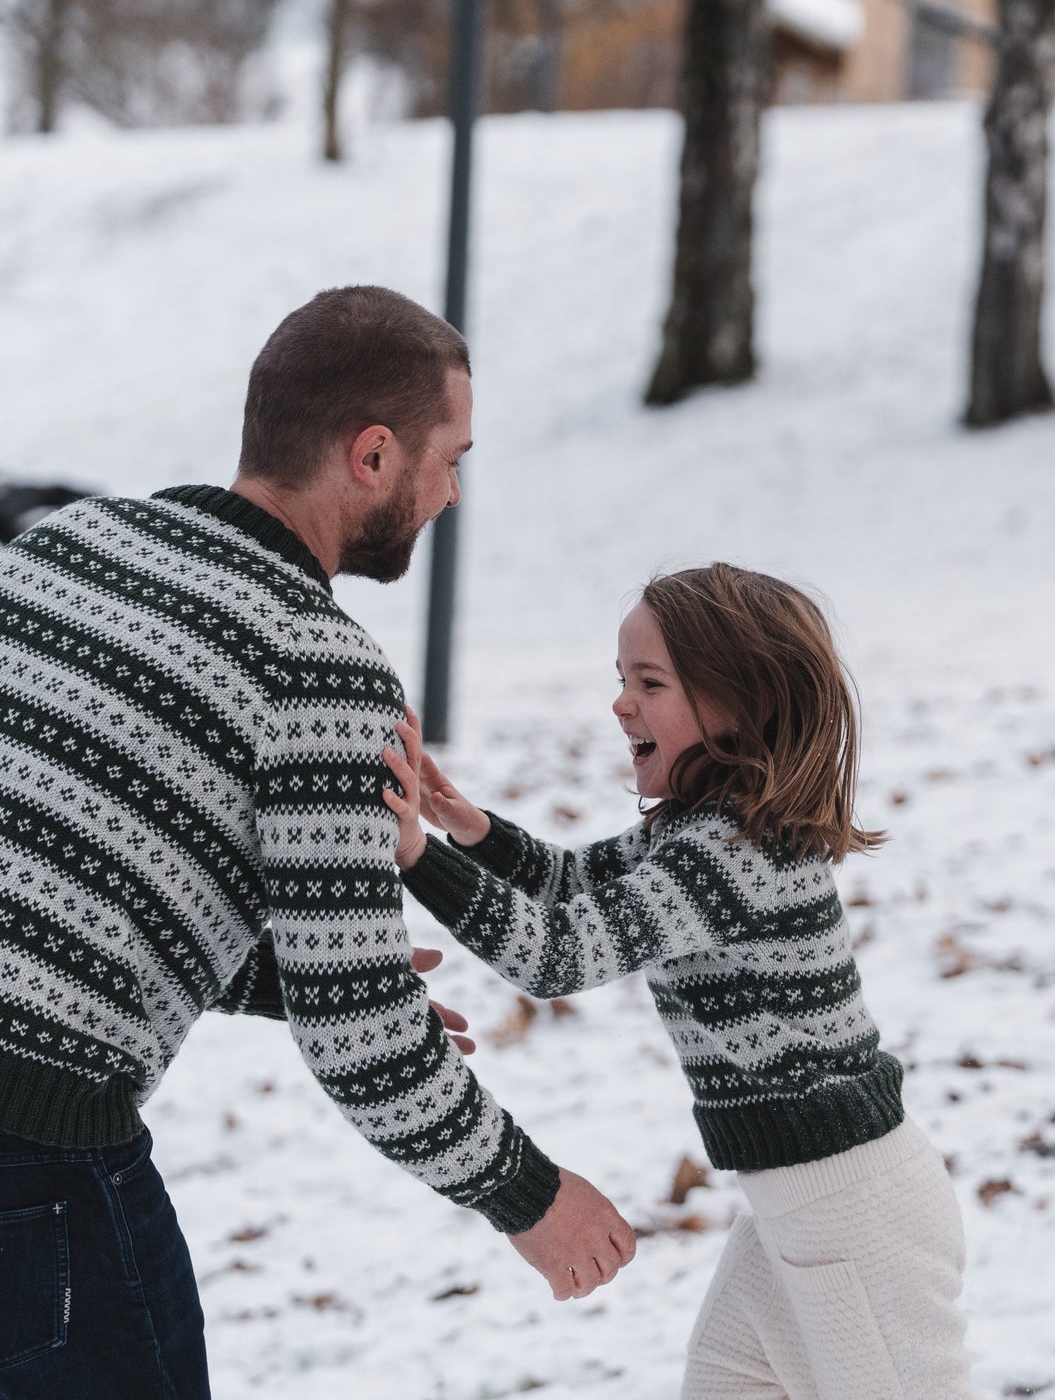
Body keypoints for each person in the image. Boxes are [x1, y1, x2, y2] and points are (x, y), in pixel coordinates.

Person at [0, 286, 634, 1400]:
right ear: (374, 454)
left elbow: (68, 870)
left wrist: (291, 974)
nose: (450, 492)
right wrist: (533, 1197)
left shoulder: (61, 549)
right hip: (35, 1162)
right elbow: (362, 1037)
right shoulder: (319, 669)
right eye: (451, 458)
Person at [382, 562, 974, 1400]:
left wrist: (415, 856)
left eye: (649, 682)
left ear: (743, 702)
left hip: (852, 1213)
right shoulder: (701, 828)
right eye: (621, 680)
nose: (621, 703)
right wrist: (468, 829)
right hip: (797, 1209)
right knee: (726, 1383)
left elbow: (556, 953)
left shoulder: (734, 853)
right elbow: (572, 883)